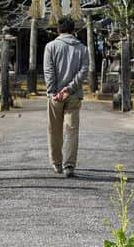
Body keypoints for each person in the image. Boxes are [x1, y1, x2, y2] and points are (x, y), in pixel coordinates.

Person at [43, 17, 89, 177]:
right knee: (72, 130)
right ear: (74, 30)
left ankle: (56, 163)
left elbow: (48, 71)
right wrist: (69, 89)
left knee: (54, 130)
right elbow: (83, 72)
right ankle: (69, 165)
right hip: (74, 94)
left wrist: (54, 91)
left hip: (55, 95)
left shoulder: (50, 47)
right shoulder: (82, 49)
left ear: (58, 30)